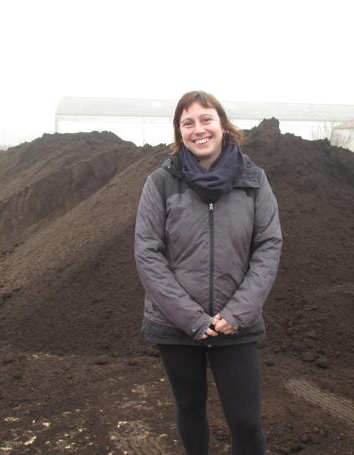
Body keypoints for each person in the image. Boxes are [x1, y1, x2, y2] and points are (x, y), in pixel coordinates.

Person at [134, 90, 282, 455]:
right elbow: (147, 252)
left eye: (206, 119)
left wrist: (238, 313)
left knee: (246, 422)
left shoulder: (253, 180)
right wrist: (192, 319)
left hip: (236, 324)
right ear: (178, 131)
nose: (198, 129)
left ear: (222, 124)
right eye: (188, 122)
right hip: (177, 325)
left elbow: (268, 245)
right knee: (190, 410)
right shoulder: (161, 182)